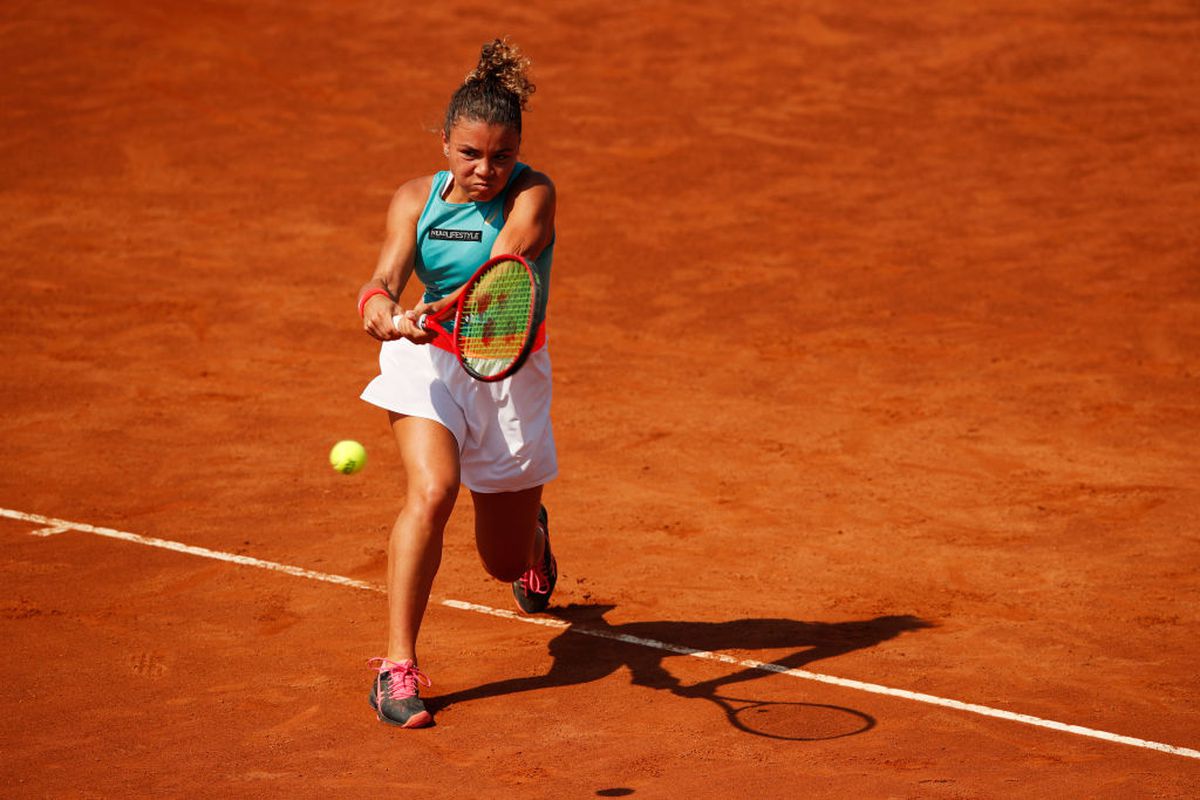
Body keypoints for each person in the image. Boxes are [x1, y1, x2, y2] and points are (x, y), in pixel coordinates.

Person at [355, 39, 559, 729]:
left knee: (502, 563)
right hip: (428, 364)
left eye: (502, 155)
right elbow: (383, 278)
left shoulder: (533, 192)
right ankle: (396, 667)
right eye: (470, 153)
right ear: (444, 142)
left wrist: (448, 304)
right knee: (434, 490)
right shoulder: (415, 199)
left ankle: (532, 540)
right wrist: (379, 309)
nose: (485, 170)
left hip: (507, 370)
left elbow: (507, 257)